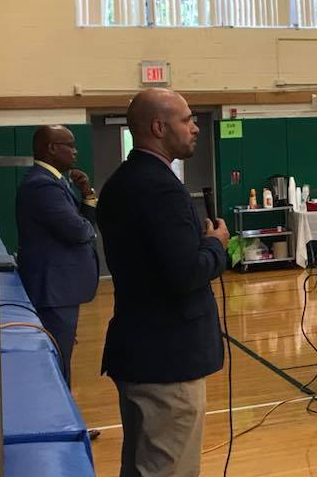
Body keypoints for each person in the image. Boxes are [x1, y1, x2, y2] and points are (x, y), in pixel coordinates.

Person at [98, 88, 230, 477]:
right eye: (187, 120)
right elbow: (185, 273)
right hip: (167, 360)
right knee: (167, 468)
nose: (195, 128)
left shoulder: (121, 181)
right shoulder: (158, 188)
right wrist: (215, 245)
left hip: (141, 349)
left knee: (142, 466)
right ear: (158, 127)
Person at [15, 125, 99, 387]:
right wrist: (87, 228)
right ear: (52, 148)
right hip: (53, 290)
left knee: (61, 357)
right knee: (57, 359)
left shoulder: (56, 182)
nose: (75, 152)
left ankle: (67, 421)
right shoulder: (42, 186)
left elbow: (83, 223)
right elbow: (77, 230)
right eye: (70, 145)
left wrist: (86, 193)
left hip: (60, 289)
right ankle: (62, 424)